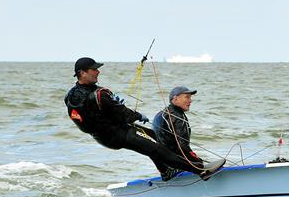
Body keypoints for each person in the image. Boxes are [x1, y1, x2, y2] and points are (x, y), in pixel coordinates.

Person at [64, 57, 222, 180]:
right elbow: (123, 113)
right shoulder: (100, 94)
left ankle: (166, 171)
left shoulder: (70, 96)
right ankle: (201, 171)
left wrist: (110, 111)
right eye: (94, 69)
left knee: (155, 137)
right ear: (82, 72)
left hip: (105, 137)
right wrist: (138, 116)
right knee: (157, 148)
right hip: (119, 133)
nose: (98, 72)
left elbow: (87, 120)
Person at [153, 86, 224, 181]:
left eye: (190, 97)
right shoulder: (177, 117)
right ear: (176, 99)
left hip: (164, 168)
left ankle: (166, 173)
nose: (190, 101)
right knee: (200, 164)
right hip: (175, 167)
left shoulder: (160, 114)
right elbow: (182, 147)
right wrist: (199, 163)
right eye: (187, 97)